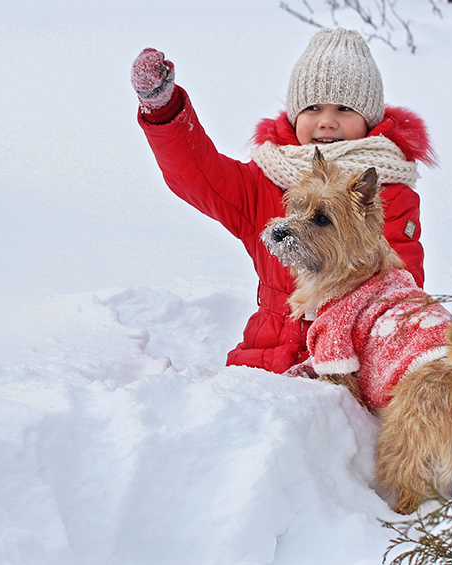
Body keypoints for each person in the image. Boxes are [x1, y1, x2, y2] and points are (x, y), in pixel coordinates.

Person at [132, 28, 436, 374]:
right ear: (293, 114)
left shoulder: (385, 191)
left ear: (369, 118)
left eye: (344, 108)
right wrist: (164, 109)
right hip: (266, 357)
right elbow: (198, 176)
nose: (326, 121)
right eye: (312, 107)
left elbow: (399, 289)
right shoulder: (266, 180)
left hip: (347, 366)